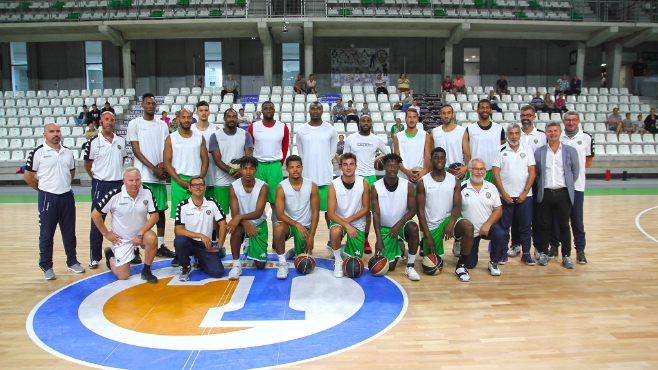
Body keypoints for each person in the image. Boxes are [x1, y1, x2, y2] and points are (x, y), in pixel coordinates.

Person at [24, 123, 84, 280]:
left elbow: (71, 173)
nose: (55, 134)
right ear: (45, 135)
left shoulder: (68, 153)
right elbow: (29, 177)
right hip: (47, 198)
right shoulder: (38, 153)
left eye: (57, 131)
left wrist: (61, 185)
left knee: (69, 232)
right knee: (46, 233)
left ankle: (72, 262)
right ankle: (46, 266)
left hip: (66, 196)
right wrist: (44, 190)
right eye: (51, 132)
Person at [416, 147, 476, 282]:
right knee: (431, 266)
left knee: (468, 227)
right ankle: (425, 244)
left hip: (449, 218)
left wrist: (450, 223)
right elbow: (420, 211)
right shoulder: (423, 182)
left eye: (442, 158)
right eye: (436, 158)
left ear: (446, 160)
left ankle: (461, 265)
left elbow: (457, 205)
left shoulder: (454, 180)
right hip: (431, 225)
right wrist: (427, 235)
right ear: (431, 160)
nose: (439, 160)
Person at [127, 93, 175, 259]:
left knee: (160, 211)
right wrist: (154, 168)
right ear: (142, 105)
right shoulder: (135, 124)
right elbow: (136, 151)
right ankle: (134, 250)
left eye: (153, 103)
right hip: (142, 176)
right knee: (138, 212)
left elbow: (167, 149)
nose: (151, 106)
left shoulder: (162, 125)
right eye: (148, 103)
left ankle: (160, 245)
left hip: (159, 176)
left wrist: (164, 167)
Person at [91, 167, 159, 283]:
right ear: (124, 181)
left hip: (141, 236)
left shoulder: (147, 192)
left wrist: (140, 233)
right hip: (121, 239)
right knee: (123, 276)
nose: (134, 184)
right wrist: (106, 234)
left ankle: (146, 270)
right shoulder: (114, 195)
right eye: (131, 180)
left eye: (137, 180)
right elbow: (95, 214)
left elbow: (155, 216)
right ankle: (110, 258)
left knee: (152, 238)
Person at [83, 111, 130, 269]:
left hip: (118, 184)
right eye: (107, 120)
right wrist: (97, 177)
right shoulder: (93, 142)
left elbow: (122, 160)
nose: (110, 122)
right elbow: (88, 165)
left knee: (121, 220)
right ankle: (94, 257)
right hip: (100, 185)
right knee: (97, 221)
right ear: (101, 122)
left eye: (112, 120)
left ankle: (122, 252)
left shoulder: (121, 141)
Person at [534, 122, 579, 268]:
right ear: (545, 133)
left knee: (564, 226)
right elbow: (537, 173)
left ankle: (566, 255)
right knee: (544, 225)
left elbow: (575, 172)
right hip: (545, 193)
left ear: (560, 132)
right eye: (549, 131)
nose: (552, 133)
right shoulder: (539, 151)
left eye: (555, 131)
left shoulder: (570, 151)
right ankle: (544, 253)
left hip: (563, 193)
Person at [344, 115, 390, 254]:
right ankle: (351, 237)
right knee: (352, 209)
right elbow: (345, 159)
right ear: (359, 123)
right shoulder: (350, 139)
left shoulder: (376, 140)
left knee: (368, 211)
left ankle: (364, 239)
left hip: (371, 177)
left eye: (368, 121)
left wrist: (381, 163)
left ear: (371, 123)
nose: (365, 123)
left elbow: (388, 155)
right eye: (363, 121)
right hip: (354, 177)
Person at [492, 123, 536, 266]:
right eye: (511, 133)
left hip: (525, 197)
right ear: (507, 135)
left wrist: (525, 192)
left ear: (520, 134)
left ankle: (526, 254)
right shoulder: (500, 150)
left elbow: (532, 172)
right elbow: (495, 173)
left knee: (525, 227)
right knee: (504, 227)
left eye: (516, 133)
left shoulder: (528, 149)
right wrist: (503, 193)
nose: (514, 136)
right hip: (505, 196)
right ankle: (503, 253)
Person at [371, 153, 421, 281]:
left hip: (402, 224)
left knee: (414, 228)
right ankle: (399, 246)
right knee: (390, 267)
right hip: (385, 228)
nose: (392, 169)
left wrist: (399, 224)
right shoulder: (376, 186)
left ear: (399, 168)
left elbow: (413, 209)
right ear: (385, 167)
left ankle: (410, 266)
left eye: (395, 166)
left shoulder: (407, 185)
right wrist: (378, 239)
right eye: (389, 166)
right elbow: (375, 214)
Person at [552, 112, 593, 264]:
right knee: (556, 220)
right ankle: (554, 246)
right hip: (560, 186)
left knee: (576, 220)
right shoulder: (558, 137)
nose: (571, 122)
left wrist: (577, 175)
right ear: (563, 121)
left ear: (578, 121)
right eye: (568, 120)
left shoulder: (586, 138)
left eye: (574, 120)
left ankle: (580, 250)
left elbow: (588, 161)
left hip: (577, 187)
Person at [226, 156, 275, 280]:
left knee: (260, 265)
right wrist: (244, 222)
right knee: (236, 229)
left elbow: (258, 212)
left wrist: (240, 218)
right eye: (245, 168)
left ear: (256, 170)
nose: (248, 172)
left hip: (258, 223)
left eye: (251, 169)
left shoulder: (263, 186)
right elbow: (234, 213)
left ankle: (249, 245)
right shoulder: (233, 186)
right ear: (240, 170)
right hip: (242, 225)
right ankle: (236, 265)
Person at [173, 175, 227, 281]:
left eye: (201, 185)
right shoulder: (182, 206)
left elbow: (223, 224)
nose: (198, 187)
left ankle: (200, 260)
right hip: (189, 242)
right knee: (179, 241)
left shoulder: (212, 203)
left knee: (218, 272)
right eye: (194, 185)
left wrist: (219, 246)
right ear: (189, 188)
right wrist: (200, 235)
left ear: (205, 187)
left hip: (205, 245)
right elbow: (179, 230)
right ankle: (185, 266)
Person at [327, 152, 370, 278]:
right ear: (340, 167)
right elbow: (330, 213)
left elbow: (367, 208)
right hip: (339, 220)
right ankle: (338, 260)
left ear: (356, 166)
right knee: (334, 231)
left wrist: (349, 221)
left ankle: (342, 248)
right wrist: (346, 224)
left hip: (357, 222)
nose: (348, 167)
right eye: (345, 165)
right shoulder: (333, 185)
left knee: (355, 263)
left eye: (351, 164)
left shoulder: (363, 183)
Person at [460, 158, 506, 276]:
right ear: (470, 170)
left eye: (482, 169)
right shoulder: (461, 187)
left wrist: (488, 224)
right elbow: (454, 210)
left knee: (500, 233)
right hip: (470, 232)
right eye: (476, 169)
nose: (479, 172)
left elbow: (498, 209)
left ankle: (494, 262)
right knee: (470, 264)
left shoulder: (491, 187)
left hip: (487, 228)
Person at [296, 102, 339, 227]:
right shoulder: (301, 131)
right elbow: (301, 154)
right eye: (313, 108)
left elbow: (332, 153)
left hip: (325, 177)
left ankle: (332, 239)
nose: (315, 111)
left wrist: (323, 162)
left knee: (329, 212)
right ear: (309, 111)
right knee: (307, 213)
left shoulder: (331, 130)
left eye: (318, 108)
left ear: (322, 111)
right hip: (307, 178)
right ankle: (307, 241)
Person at [163, 108, 209, 222]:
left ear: (192, 118)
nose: (186, 120)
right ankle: (180, 240)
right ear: (178, 119)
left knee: (199, 217)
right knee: (179, 219)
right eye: (183, 117)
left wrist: (200, 179)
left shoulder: (199, 138)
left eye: (188, 117)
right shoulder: (171, 138)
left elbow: (205, 160)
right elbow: (166, 162)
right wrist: (179, 181)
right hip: (179, 181)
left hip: (196, 180)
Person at [248, 101, 290, 223]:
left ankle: (278, 230)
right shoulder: (254, 127)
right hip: (258, 166)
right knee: (256, 201)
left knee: (276, 201)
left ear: (274, 110)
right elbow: (249, 146)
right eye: (265, 108)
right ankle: (256, 233)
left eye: (270, 108)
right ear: (261, 111)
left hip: (274, 166)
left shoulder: (282, 127)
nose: (268, 110)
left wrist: (279, 164)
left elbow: (285, 146)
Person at [274, 155, 320, 261]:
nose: (295, 170)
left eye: (298, 166)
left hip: (306, 227)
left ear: (302, 168)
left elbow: (315, 212)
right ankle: (282, 263)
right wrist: (296, 224)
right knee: (278, 228)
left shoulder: (312, 185)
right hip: (289, 225)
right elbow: (279, 214)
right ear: (287, 169)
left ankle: (296, 249)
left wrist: (311, 236)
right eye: (292, 167)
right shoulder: (281, 187)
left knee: (305, 261)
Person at [209, 108, 254, 213]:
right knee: (220, 217)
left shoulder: (245, 134)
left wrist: (241, 171)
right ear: (224, 118)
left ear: (237, 119)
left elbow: (249, 157)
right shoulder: (215, 136)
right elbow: (217, 160)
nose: (231, 119)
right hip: (221, 182)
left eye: (234, 116)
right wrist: (231, 171)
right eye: (228, 116)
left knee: (241, 215)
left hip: (240, 182)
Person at [463, 99, 506, 182]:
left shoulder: (499, 129)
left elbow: (502, 149)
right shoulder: (470, 129)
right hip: (474, 171)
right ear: (477, 110)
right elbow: (466, 152)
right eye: (482, 107)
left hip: (493, 172)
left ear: (491, 110)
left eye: (487, 108)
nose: (485, 110)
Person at [393, 108, 431, 184]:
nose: (411, 120)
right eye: (409, 117)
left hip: (420, 176)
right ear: (405, 119)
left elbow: (427, 156)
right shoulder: (398, 136)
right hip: (403, 177)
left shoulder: (425, 135)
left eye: (414, 117)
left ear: (417, 119)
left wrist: (425, 171)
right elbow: (396, 159)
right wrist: (407, 172)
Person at [191, 101, 219, 201]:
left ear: (209, 112)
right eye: (201, 110)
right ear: (196, 113)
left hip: (213, 171)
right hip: (196, 169)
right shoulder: (191, 130)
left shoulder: (216, 130)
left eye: (206, 110)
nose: (204, 113)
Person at [432, 104, 470, 179]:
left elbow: (467, 153)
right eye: (444, 113)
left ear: (453, 115)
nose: (446, 116)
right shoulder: (434, 132)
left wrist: (466, 167)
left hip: (457, 171)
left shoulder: (462, 131)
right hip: (440, 171)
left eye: (449, 113)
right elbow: (432, 154)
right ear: (440, 115)